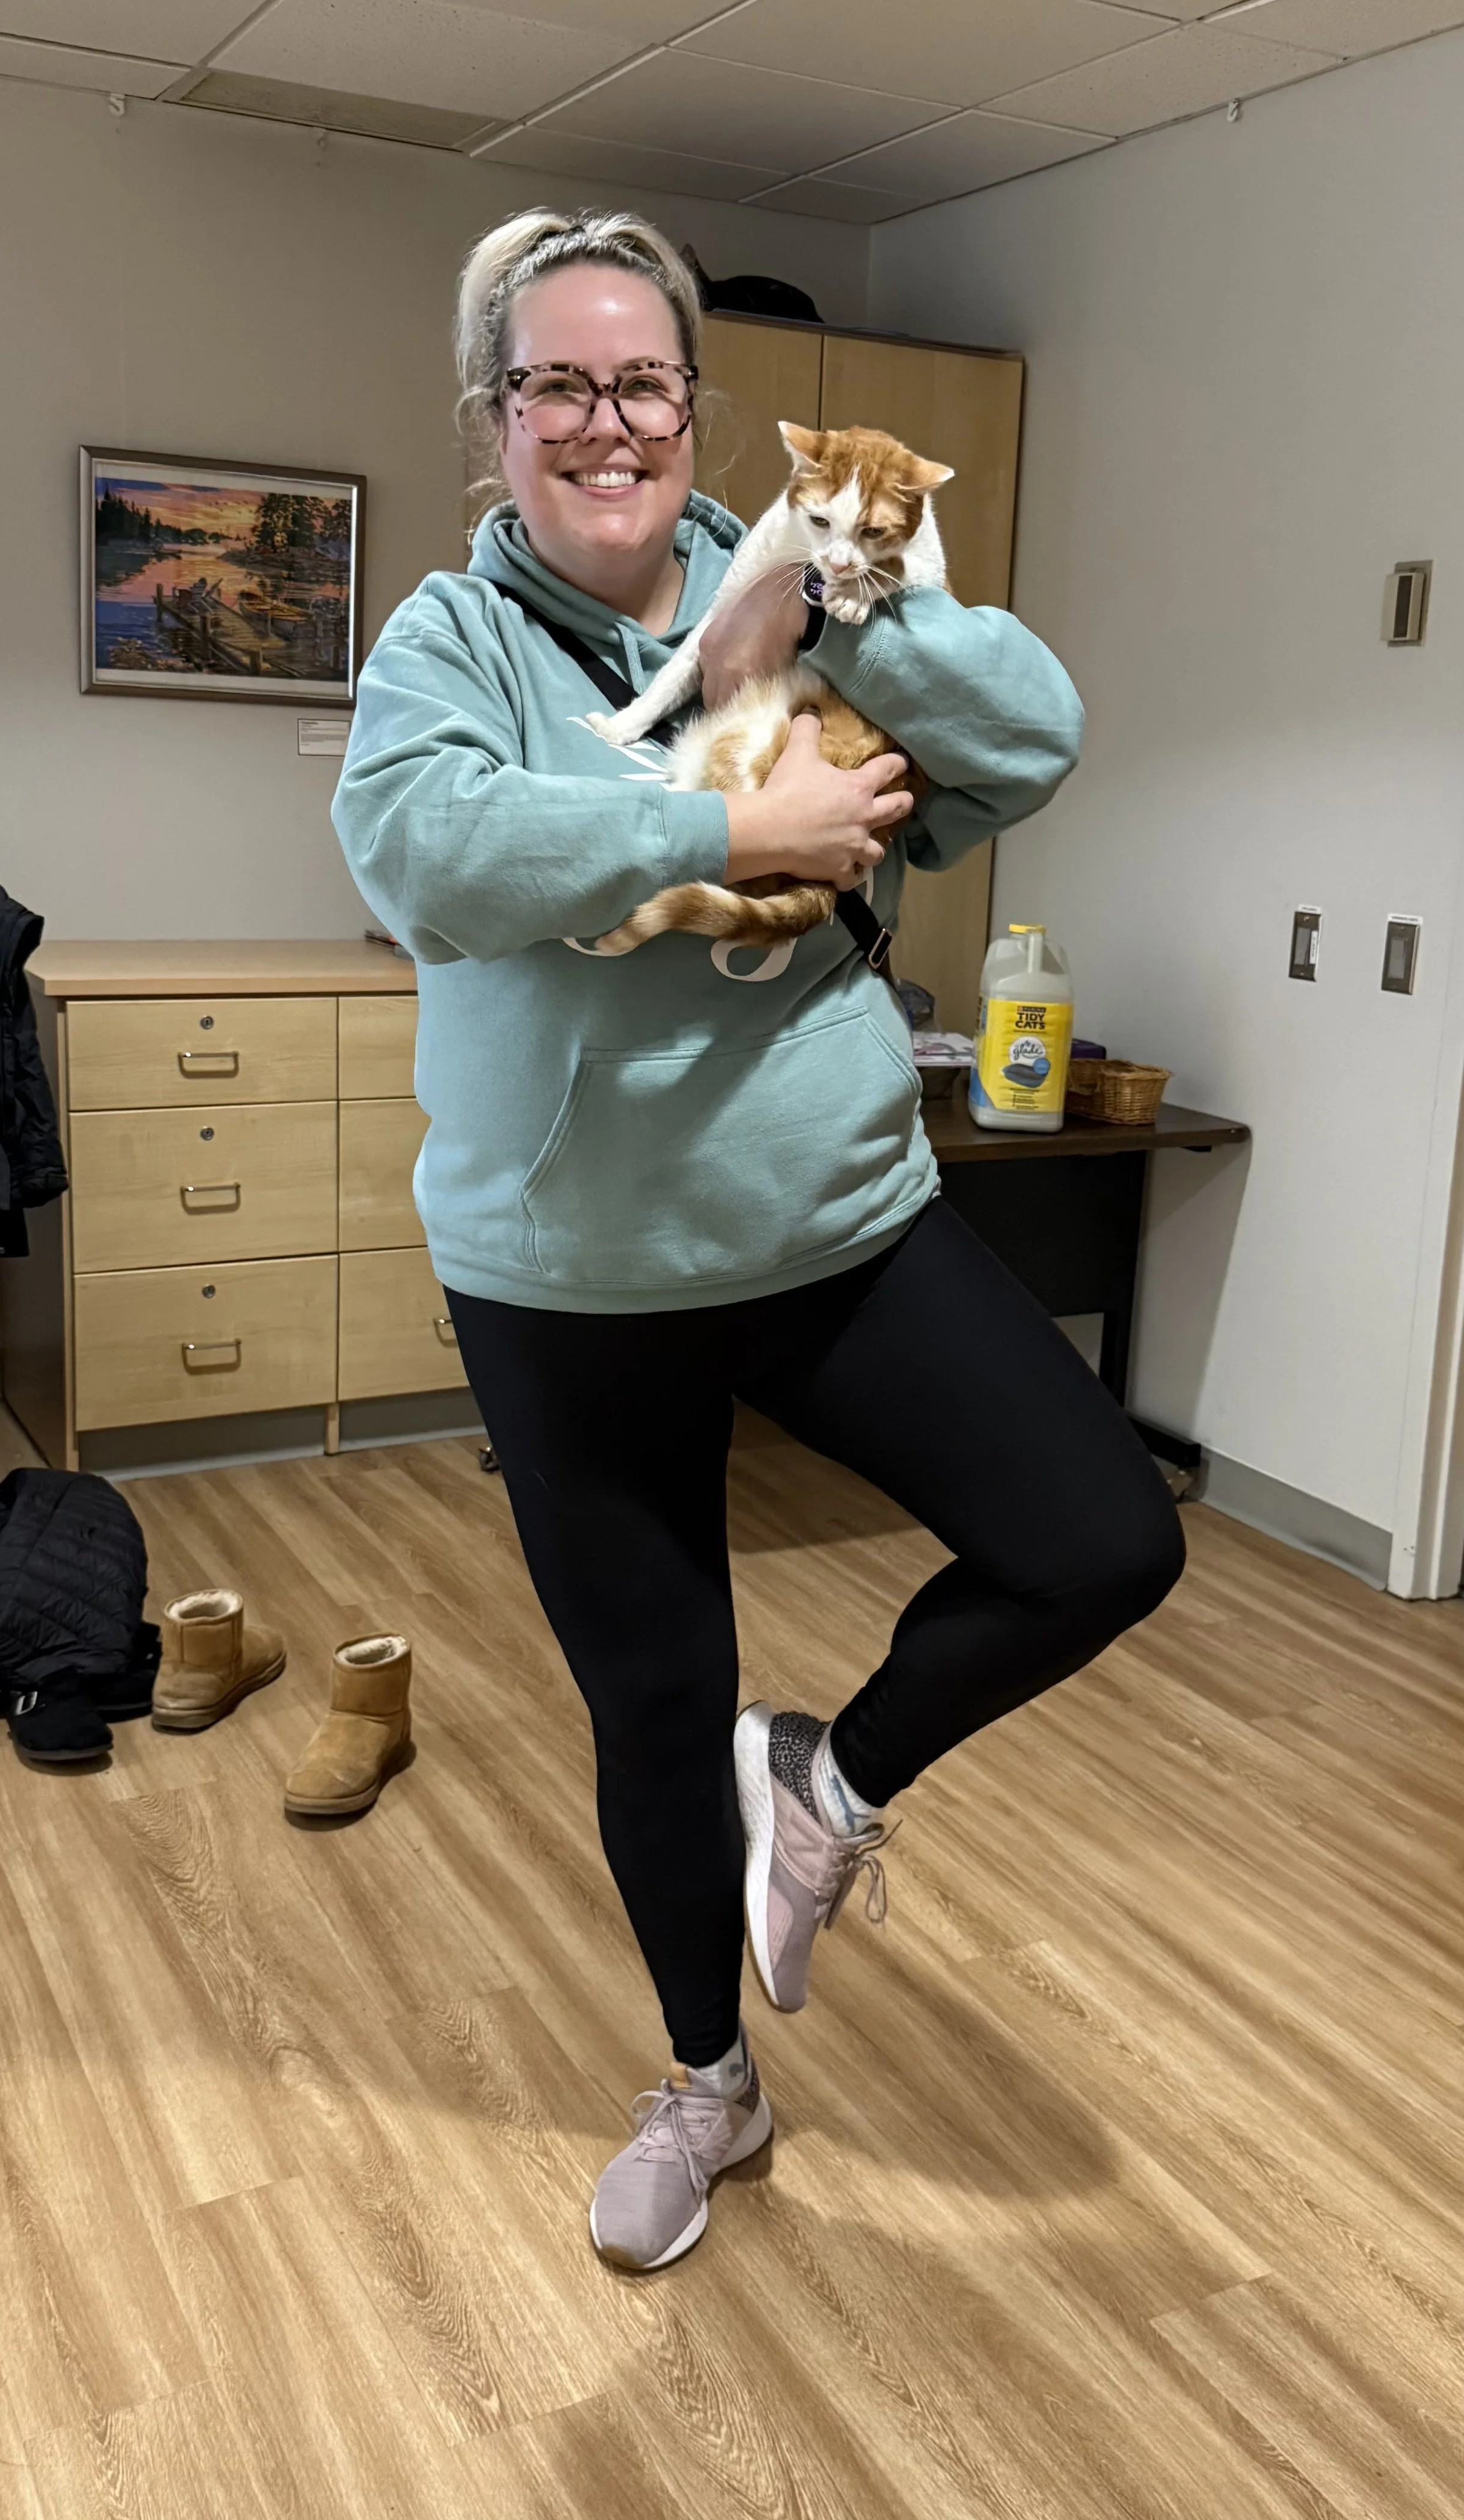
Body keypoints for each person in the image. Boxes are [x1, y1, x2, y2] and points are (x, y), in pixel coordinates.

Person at [333, 208, 1185, 2274]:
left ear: (692, 408)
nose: (604, 421)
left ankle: (824, 1777)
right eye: (558, 384)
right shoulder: (451, 645)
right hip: (571, 1287)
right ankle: (706, 2087)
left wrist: (803, 628)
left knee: (1101, 1538)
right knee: (649, 1701)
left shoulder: (813, 571)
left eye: (641, 381)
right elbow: (420, 847)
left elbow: (1029, 742)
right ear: (494, 424)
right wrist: (728, 824)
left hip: (832, 1231)